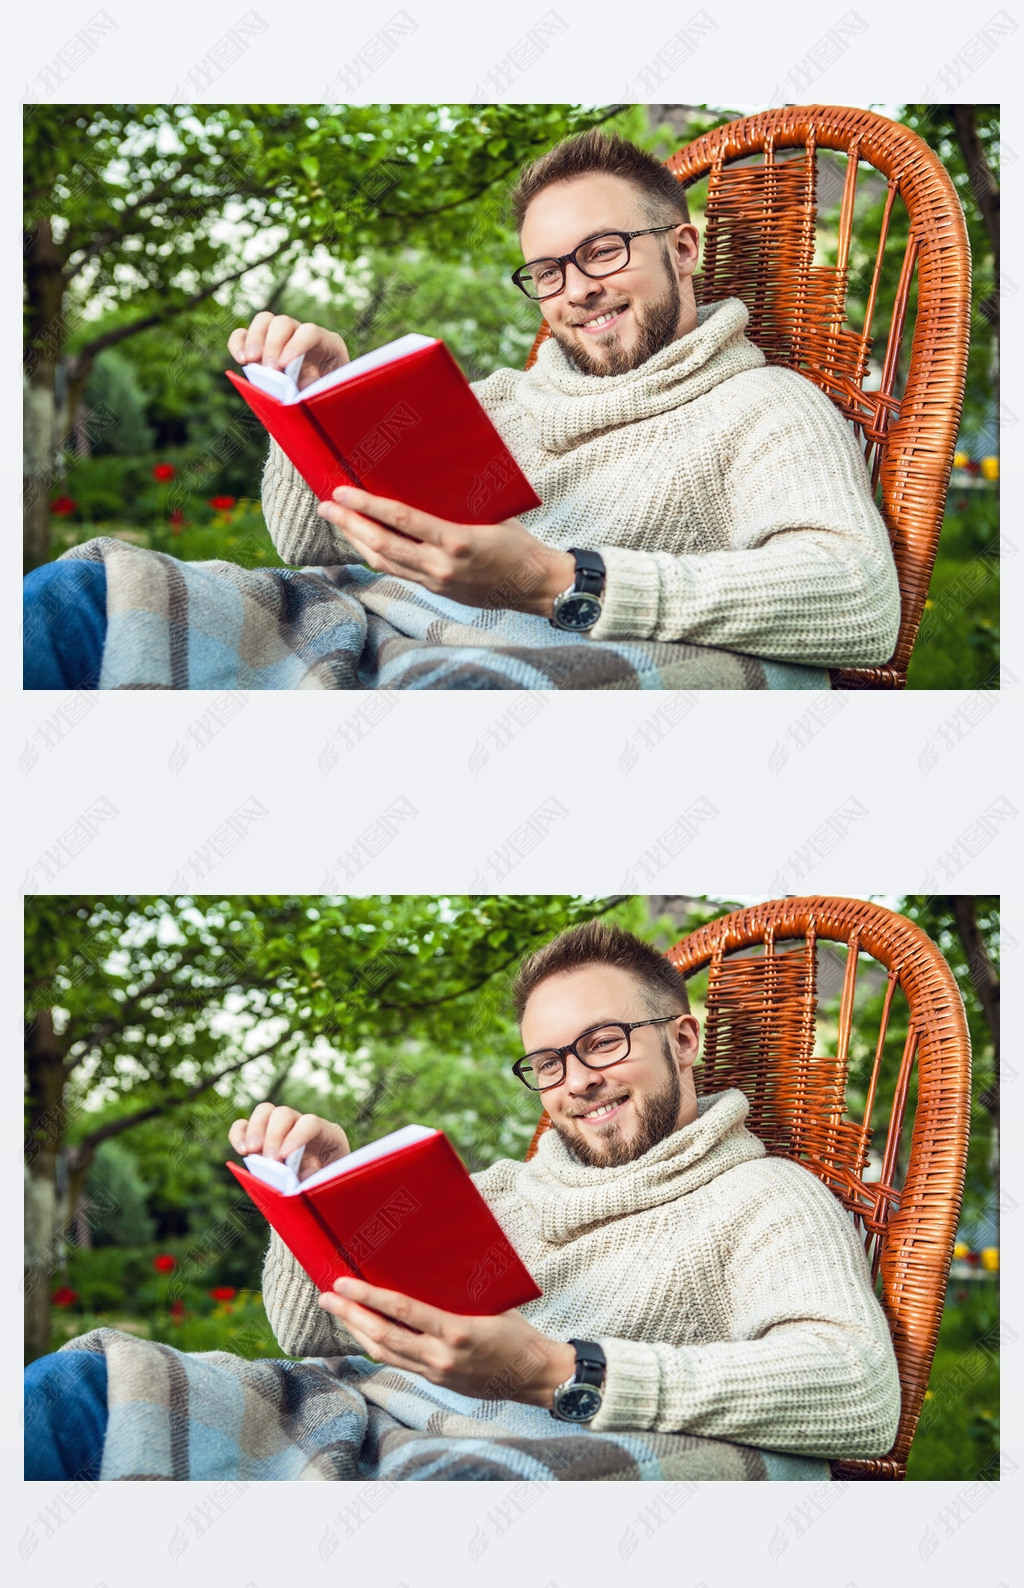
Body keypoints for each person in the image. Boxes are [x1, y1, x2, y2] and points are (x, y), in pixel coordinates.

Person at [24, 130, 900, 690]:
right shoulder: (496, 401)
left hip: (494, 671)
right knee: (92, 593)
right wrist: (320, 406)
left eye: (602, 252)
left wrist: (559, 578)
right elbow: (311, 544)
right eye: (548, 271)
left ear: (681, 246)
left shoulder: (763, 407)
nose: (578, 292)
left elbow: (858, 601)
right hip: (355, 629)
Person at [25, 921, 901, 1482]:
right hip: (348, 1420)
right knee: (91, 1386)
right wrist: (323, 1196)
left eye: (602, 1042)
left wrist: (558, 1370)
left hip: (475, 1469)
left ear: (682, 1037)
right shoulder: (495, 1192)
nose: (578, 1083)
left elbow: (859, 1392)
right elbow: (312, 1335)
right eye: (549, 1062)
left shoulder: (764, 1198)